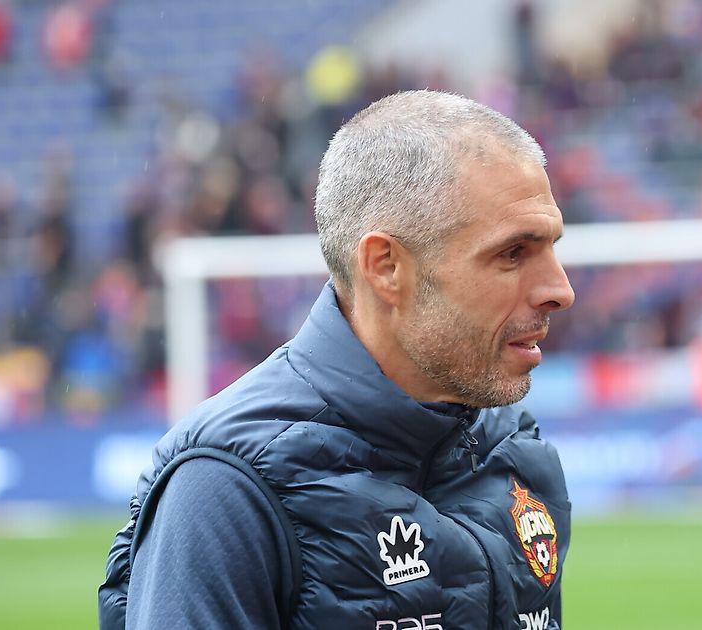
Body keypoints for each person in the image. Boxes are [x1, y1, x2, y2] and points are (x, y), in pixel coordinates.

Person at [99, 90, 575, 629]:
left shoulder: (514, 451)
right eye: (513, 253)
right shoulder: (226, 489)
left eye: (552, 246)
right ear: (386, 267)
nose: (560, 290)